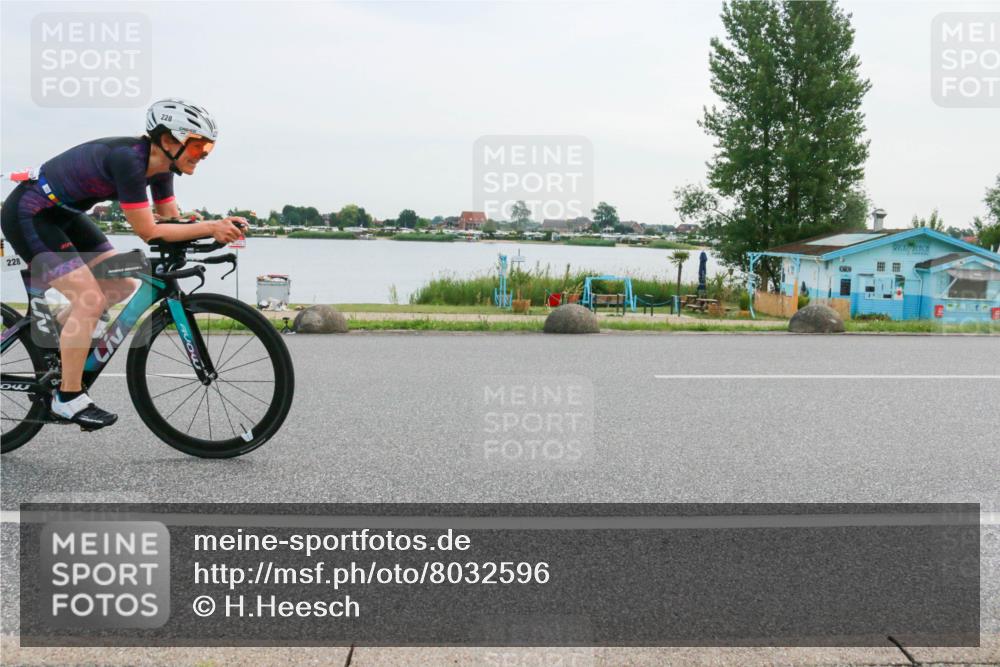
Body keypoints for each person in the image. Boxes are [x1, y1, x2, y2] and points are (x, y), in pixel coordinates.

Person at [0, 98, 246, 430]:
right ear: (169, 140)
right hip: (32, 214)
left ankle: (61, 335)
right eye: (199, 145)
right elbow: (148, 231)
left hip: (65, 215)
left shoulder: (161, 170)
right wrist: (210, 227)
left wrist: (215, 227)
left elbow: (170, 222)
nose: (203, 154)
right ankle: (67, 398)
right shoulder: (128, 160)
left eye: (208, 147)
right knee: (90, 300)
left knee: (123, 283)